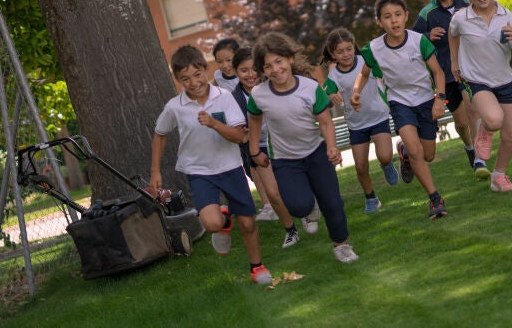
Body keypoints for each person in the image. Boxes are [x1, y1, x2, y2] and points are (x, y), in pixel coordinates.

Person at [150, 45, 272, 284]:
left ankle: (257, 267)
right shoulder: (175, 106)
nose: (194, 82)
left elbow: (241, 137)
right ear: (178, 80)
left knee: (247, 223)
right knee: (212, 223)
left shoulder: (223, 97)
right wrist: (155, 170)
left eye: (197, 75)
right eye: (185, 79)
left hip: (231, 167)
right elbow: (160, 133)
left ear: (206, 70)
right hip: (200, 172)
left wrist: (215, 124)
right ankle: (225, 222)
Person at [247, 32, 359, 263]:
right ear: (262, 70)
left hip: (316, 152)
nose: (275, 69)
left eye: (279, 61)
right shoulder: (259, 95)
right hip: (285, 160)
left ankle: (341, 245)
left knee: (333, 203)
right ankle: (309, 207)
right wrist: (254, 150)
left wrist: (331, 147)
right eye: (268, 66)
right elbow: (255, 119)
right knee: (299, 206)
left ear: (289, 59)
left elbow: (326, 122)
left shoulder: (309, 87)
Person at [351, 0, 448, 220]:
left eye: (397, 15)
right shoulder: (374, 49)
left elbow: (438, 72)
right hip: (399, 102)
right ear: (379, 21)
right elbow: (363, 74)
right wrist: (356, 92)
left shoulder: (418, 41)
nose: (393, 21)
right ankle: (435, 199)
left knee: (428, 155)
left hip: (425, 101)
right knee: (417, 151)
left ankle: (403, 150)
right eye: (387, 17)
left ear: (405, 16)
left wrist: (439, 99)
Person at [448, 0, 512, 193]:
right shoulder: (461, 18)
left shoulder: (506, 16)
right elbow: (452, 34)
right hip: (477, 81)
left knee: (511, 134)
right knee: (494, 120)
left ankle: (499, 176)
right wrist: (454, 62)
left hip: (504, 80)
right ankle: (484, 131)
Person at [231, 47, 315, 248]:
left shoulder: (273, 86)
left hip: (284, 143)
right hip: (258, 147)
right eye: (244, 70)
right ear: (236, 73)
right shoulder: (233, 98)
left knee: (292, 187)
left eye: (253, 69)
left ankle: (306, 211)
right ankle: (290, 230)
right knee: (273, 193)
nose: (250, 74)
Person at [412, 0, 490, 180]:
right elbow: (413, 41)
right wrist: (428, 36)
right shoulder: (426, 14)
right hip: (444, 75)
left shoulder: (466, 3)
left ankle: (479, 158)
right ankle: (469, 148)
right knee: (462, 122)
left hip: (468, 69)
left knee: (472, 108)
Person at [321, 28, 399, 214]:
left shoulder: (366, 61)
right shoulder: (333, 76)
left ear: (353, 46)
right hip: (356, 125)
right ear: (333, 54)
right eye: (340, 51)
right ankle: (371, 198)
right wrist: (331, 96)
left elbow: (386, 73)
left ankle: (387, 164)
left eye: (348, 49)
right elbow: (325, 97)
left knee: (385, 155)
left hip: (378, 116)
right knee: (361, 166)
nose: (346, 54)